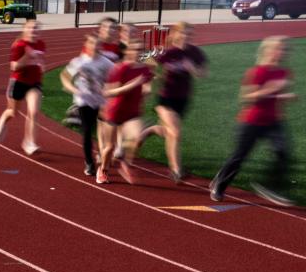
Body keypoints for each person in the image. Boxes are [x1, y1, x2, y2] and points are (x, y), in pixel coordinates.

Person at [210, 36, 296, 207]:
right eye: (280, 49)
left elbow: (278, 98)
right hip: (251, 121)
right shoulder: (257, 72)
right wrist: (271, 89)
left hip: (273, 121)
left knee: (283, 152)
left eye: (285, 49)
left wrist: (284, 97)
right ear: (269, 50)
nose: (283, 52)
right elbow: (246, 98)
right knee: (239, 157)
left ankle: (269, 186)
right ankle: (219, 184)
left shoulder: (283, 72)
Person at [138, 22, 207, 183]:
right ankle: (176, 170)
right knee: (175, 132)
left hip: (183, 99)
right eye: (183, 33)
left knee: (167, 132)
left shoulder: (195, 52)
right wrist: (155, 75)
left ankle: (149, 130)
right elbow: (146, 61)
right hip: (165, 98)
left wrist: (193, 69)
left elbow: (203, 73)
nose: (185, 37)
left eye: (189, 34)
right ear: (175, 34)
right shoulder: (167, 51)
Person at [99, 40, 153, 184]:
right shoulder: (120, 69)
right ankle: (103, 169)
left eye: (140, 49)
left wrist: (147, 91)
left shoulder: (145, 69)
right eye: (135, 49)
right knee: (110, 147)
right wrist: (132, 85)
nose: (138, 52)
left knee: (136, 138)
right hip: (115, 111)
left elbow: (147, 87)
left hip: (132, 112)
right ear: (128, 51)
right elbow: (109, 92)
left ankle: (125, 165)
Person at [61, 34, 115, 176]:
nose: (95, 47)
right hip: (84, 100)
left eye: (97, 44)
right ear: (87, 45)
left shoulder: (105, 62)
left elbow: (116, 75)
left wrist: (109, 88)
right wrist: (72, 89)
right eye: (92, 44)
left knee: (103, 131)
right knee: (87, 131)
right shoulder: (79, 62)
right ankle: (89, 162)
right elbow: (65, 76)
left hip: (101, 100)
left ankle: (103, 156)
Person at [0, 18, 45, 155]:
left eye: (36, 28)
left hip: (34, 83)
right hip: (18, 82)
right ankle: (4, 119)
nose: (33, 30)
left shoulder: (41, 44)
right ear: (25, 30)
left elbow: (40, 61)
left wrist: (41, 66)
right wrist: (27, 57)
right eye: (31, 28)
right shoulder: (19, 45)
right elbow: (14, 67)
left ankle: (29, 142)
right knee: (13, 112)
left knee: (33, 112)